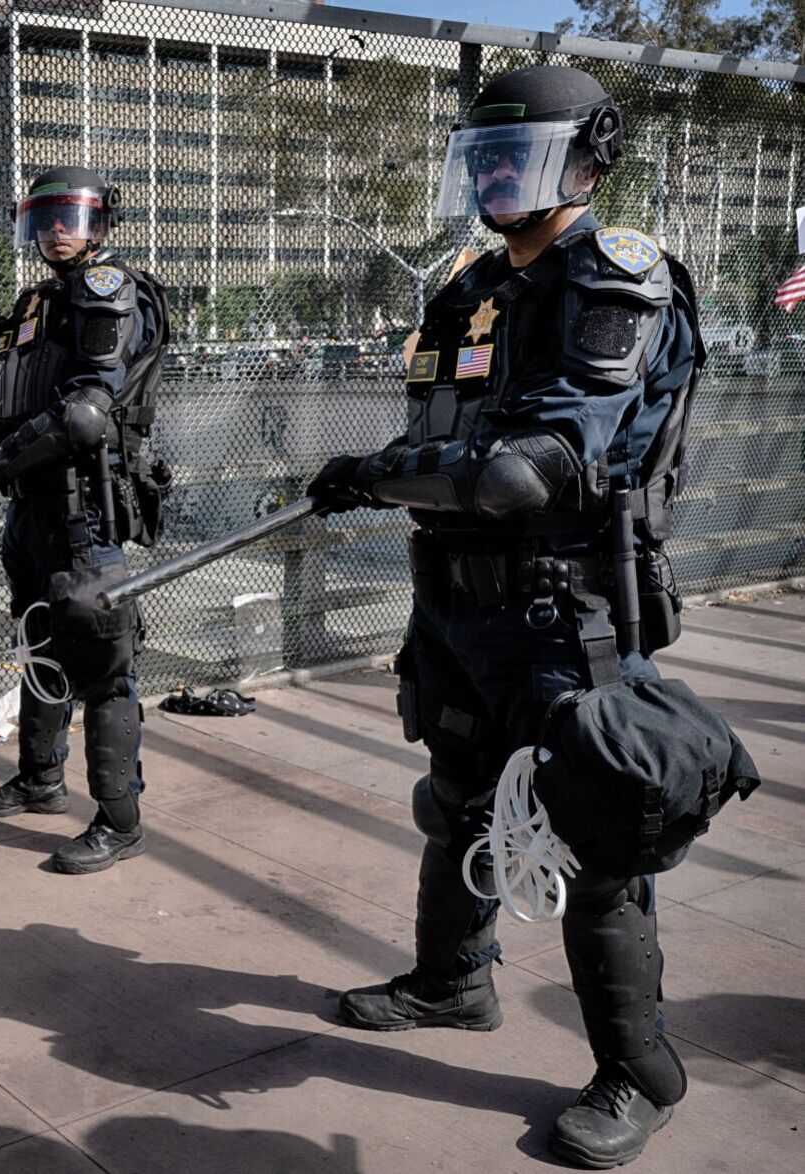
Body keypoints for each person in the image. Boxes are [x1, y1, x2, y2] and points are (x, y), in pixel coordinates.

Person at [305, 67, 702, 1169]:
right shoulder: (473, 286)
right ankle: (451, 981)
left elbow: (531, 471)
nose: (493, 174)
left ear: (587, 157)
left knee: (598, 842)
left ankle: (641, 1070)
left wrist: (381, 478)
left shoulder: (619, 282)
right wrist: (386, 469)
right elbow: (441, 425)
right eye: (480, 155)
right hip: (457, 605)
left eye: (515, 152)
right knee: (460, 800)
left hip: (563, 609)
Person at [0, 166, 168, 874]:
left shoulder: (107, 290)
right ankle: (39, 779)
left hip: (81, 510)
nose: (57, 229)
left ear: (100, 222)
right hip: (32, 508)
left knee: (101, 662)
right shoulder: (40, 300)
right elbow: (26, 401)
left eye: (72, 216)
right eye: (46, 217)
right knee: (38, 645)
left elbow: (86, 411)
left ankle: (120, 821)